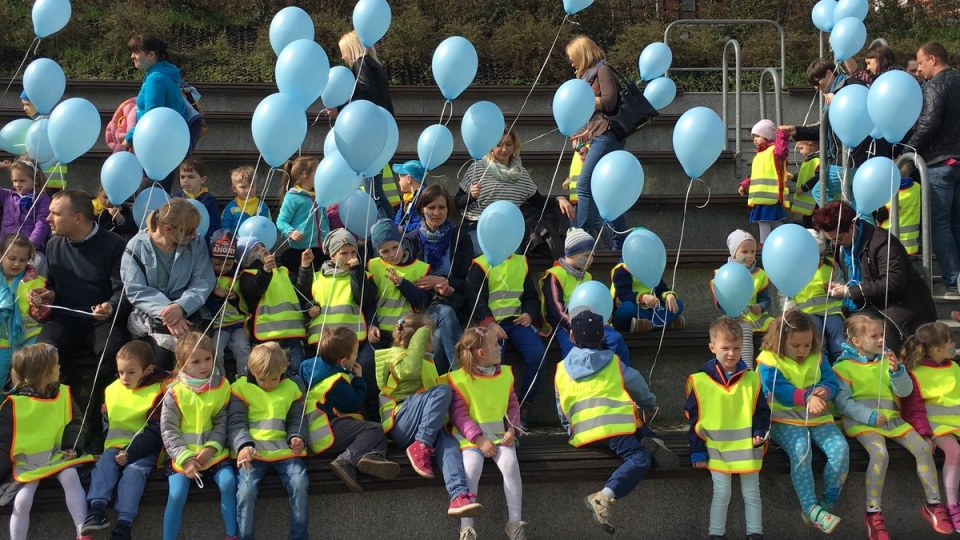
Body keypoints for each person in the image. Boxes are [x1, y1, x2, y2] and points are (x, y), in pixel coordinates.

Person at [555, 310, 677, 535]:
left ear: (572, 337)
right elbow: (637, 383)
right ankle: (603, 497)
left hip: (582, 431)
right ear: (603, 336)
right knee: (640, 458)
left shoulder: (561, 368)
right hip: (612, 427)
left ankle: (650, 438)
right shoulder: (613, 362)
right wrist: (648, 403)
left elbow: (561, 406)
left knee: (633, 425)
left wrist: (570, 428)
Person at [833, 314, 953, 537]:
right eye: (874, 336)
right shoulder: (843, 367)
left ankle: (933, 504)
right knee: (880, 454)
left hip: (893, 421)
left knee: (924, 449)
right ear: (856, 341)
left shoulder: (888, 360)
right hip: (863, 423)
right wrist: (869, 416)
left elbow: (904, 392)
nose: (881, 340)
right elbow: (842, 402)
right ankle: (872, 512)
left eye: (882, 335)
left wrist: (898, 372)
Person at [33, 189, 129, 435]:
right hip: (65, 318)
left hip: (101, 320)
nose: (47, 219)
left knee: (111, 353)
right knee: (42, 354)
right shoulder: (54, 244)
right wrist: (48, 296)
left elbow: (124, 291)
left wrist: (110, 306)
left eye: (55, 213)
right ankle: (52, 421)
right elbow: (53, 286)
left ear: (77, 218)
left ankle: (98, 422)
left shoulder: (115, 245)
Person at [375, 314, 483, 517]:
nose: (434, 339)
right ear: (421, 340)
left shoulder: (427, 361)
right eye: (431, 336)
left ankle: (458, 495)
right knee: (442, 392)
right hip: (400, 423)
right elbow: (409, 371)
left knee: (450, 444)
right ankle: (421, 445)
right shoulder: (396, 357)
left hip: (422, 425)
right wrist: (423, 331)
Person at [756, 310, 849, 534]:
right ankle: (809, 506)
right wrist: (807, 397)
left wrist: (825, 390)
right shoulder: (768, 360)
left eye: (807, 345)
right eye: (796, 345)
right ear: (780, 340)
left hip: (817, 417)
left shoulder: (817, 356)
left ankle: (825, 504)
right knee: (801, 448)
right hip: (783, 419)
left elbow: (830, 380)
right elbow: (777, 388)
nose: (802, 351)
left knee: (841, 449)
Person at [685, 317, 769, 540]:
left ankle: (755, 534)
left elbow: (762, 412)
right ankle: (716, 535)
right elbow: (694, 419)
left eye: (736, 348)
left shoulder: (753, 379)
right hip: (716, 449)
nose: (731, 353)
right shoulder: (699, 381)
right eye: (725, 348)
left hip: (748, 448)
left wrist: (759, 433)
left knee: (752, 494)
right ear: (712, 347)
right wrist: (697, 450)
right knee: (721, 494)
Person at [813, 200, 936, 352]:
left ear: (852, 228)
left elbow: (892, 283)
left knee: (870, 335)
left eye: (838, 239)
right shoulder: (845, 245)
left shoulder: (883, 243)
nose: (836, 244)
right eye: (831, 240)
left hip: (900, 309)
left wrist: (849, 291)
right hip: (871, 305)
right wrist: (844, 288)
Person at [0, 344, 93, 540]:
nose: (60, 368)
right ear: (44, 372)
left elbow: (76, 423)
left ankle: (83, 533)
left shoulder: (64, 394)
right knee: (22, 500)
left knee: (71, 477)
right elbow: (3, 444)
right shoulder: (13, 405)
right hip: (26, 464)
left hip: (57, 455)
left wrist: (73, 447)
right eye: (56, 365)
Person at [81, 341, 170, 540]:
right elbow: (107, 419)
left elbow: (157, 432)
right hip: (115, 447)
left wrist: (131, 452)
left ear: (147, 370)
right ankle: (97, 509)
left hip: (143, 450)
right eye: (121, 372)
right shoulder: (113, 389)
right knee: (104, 464)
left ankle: (124, 525)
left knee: (133, 472)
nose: (124, 378)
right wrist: (117, 448)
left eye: (131, 372)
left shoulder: (159, 391)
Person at [299, 326, 400, 491]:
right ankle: (346, 460)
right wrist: (359, 380)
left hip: (312, 430)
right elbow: (354, 403)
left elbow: (304, 367)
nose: (356, 357)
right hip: (325, 433)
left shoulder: (309, 366)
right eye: (355, 354)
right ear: (343, 361)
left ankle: (372, 457)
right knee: (375, 429)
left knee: (376, 434)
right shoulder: (338, 380)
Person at [780, 58, 889, 208]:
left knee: (820, 191)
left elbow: (862, 105)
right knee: (858, 204)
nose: (816, 88)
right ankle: (861, 229)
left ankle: (841, 226)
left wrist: (839, 100)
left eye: (817, 82)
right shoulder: (833, 93)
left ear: (829, 73)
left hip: (850, 155)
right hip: (849, 155)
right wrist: (797, 131)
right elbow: (824, 129)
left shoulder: (850, 85)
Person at [450, 326, 525, 540]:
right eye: (495, 344)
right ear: (481, 353)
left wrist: (513, 428)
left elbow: (512, 404)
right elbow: (459, 415)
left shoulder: (505, 374)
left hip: (500, 436)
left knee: (510, 464)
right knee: (472, 468)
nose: (500, 347)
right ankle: (467, 528)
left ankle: (515, 523)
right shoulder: (460, 379)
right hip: (472, 439)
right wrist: (480, 440)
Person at [121, 198, 215, 369]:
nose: (194, 234)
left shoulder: (197, 242)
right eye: (188, 231)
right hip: (150, 316)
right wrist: (169, 314)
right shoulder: (136, 246)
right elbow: (136, 290)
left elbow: (203, 281)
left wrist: (180, 307)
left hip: (190, 311)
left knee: (197, 353)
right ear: (168, 229)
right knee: (162, 357)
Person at [228, 342, 309, 540]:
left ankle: (299, 537)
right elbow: (236, 421)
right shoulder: (240, 387)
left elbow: (297, 419)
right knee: (245, 493)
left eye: (274, 378)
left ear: (283, 370)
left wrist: (298, 436)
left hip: (285, 451)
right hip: (252, 453)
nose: (268, 384)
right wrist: (243, 446)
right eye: (263, 379)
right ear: (252, 371)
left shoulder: (291, 387)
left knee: (299, 483)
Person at [160, 333, 237, 540]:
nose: (204, 365)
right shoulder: (174, 392)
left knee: (229, 483)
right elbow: (168, 430)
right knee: (176, 494)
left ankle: (232, 535)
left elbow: (223, 421)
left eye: (208, 359)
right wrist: (185, 459)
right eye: (195, 361)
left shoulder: (222, 386)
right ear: (183, 364)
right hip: (181, 458)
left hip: (214, 453)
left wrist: (211, 447)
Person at [456, 129, 575, 256]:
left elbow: (540, 203)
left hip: (508, 231)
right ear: (491, 146)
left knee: (512, 260)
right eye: (499, 144)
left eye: (508, 144)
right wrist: (471, 196)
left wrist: (559, 199)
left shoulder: (521, 174)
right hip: (477, 226)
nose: (504, 149)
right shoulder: (478, 168)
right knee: (480, 254)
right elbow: (457, 202)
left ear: (514, 146)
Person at [299, 229, 378, 415]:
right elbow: (301, 295)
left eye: (353, 252)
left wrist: (357, 271)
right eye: (344, 253)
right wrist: (304, 267)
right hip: (322, 341)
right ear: (333, 255)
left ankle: (366, 413)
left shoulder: (361, 274)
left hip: (352, 340)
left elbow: (364, 298)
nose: (350, 257)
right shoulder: (318, 277)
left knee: (362, 371)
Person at [465, 248, 544, 427]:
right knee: (493, 359)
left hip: (517, 322)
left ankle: (524, 405)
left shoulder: (521, 262)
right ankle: (495, 410)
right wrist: (490, 323)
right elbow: (474, 299)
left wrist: (529, 313)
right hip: (490, 324)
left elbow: (531, 295)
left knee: (537, 354)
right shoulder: (480, 264)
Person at [904, 42, 960, 296]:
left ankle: (952, 280)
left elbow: (928, 123)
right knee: (956, 223)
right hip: (957, 161)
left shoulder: (936, 85)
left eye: (922, 63)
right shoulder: (958, 81)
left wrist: (907, 151)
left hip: (939, 163)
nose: (919, 70)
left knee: (939, 224)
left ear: (933, 59)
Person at [564, 35, 628, 248]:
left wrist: (583, 100)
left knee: (584, 184)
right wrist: (586, 134)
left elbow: (609, 102)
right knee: (604, 190)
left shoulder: (603, 69)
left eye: (573, 58)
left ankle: (581, 237)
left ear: (583, 54)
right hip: (599, 135)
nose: (572, 62)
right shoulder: (587, 76)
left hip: (609, 135)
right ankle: (619, 240)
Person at [402, 185, 473, 374]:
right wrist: (432, 285)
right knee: (445, 314)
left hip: (454, 303)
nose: (436, 212)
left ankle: (446, 387)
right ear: (421, 209)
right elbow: (409, 279)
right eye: (431, 207)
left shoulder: (460, 237)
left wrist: (446, 283)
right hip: (421, 305)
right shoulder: (410, 240)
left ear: (448, 210)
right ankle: (463, 377)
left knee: (441, 336)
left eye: (441, 207)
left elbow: (467, 280)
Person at [123, 34, 203, 192]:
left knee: (150, 194)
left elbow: (151, 117)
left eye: (136, 52)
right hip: (167, 144)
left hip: (155, 145)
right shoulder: (165, 75)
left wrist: (130, 137)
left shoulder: (156, 79)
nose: (132, 56)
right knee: (159, 192)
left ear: (151, 55)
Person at [900, 322, 960, 532]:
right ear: (937, 350)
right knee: (954, 451)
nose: (954, 344)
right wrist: (924, 435)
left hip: (956, 422)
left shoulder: (954, 367)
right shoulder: (915, 373)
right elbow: (913, 409)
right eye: (950, 341)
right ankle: (953, 505)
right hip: (936, 426)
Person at [541, 228, 632, 361]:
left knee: (616, 340)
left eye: (593, 256)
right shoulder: (555, 275)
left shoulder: (587, 276)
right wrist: (574, 326)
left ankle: (619, 376)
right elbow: (556, 310)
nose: (590, 260)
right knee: (572, 350)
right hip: (565, 325)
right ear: (571, 254)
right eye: (586, 255)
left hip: (590, 321)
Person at [335, 30, 395, 219]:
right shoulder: (375, 65)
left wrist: (342, 106)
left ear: (351, 49)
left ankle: (389, 232)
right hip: (379, 129)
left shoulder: (361, 64)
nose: (342, 56)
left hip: (368, 133)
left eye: (343, 51)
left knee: (374, 193)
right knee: (375, 190)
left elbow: (365, 94)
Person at [235, 236, 307, 373]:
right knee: (269, 373)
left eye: (263, 246)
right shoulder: (247, 275)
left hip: (292, 335)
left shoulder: (283, 272)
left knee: (297, 372)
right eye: (255, 249)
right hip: (266, 338)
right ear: (246, 262)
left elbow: (301, 292)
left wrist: (304, 268)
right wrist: (265, 270)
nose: (262, 249)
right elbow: (255, 289)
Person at [711, 230, 771, 369]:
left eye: (752, 251)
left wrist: (761, 306)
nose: (749, 256)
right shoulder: (724, 273)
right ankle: (748, 368)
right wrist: (733, 312)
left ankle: (771, 366)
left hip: (756, 316)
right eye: (744, 252)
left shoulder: (759, 274)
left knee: (778, 328)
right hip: (735, 316)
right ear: (733, 252)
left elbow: (765, 298)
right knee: (745, 330)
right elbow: (720, 302)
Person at [367, 219, 432, 349]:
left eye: (395, 247)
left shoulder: (420, 268)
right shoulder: (372, 266)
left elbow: (422, 302)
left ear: (402, 242)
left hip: (406, 332)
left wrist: (402, 284)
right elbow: (368, 301)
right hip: (379, 332)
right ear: (378, 252)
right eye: (385, 251)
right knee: (368, 363)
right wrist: (371, 325)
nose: (392, 254)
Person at [787, 229, 844, 365]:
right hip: (808, 312)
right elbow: (786, 292)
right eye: (816, 256)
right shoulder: (794, 268)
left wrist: (835, 286)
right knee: (816, 334)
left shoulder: (831, 264)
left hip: (831, 309)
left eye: (822, 255)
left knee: (837, 331)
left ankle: (842, 361)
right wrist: (789, 309)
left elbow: (841, 280)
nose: (820, 259)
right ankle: (821, 362)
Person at [609, 234, 684, 334]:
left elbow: (661, 288)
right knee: (627, 308)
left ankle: (648, 325)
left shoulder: (652, 267)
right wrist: (642, 298)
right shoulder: (622, 270)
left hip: (652, 310)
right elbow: (624, 294)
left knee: (678, 304)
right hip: (634, 310)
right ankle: (664, 323)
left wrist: (669, 295)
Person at [0, 234, 49, 387]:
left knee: (30, 375)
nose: (16, 264)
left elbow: (42, 316)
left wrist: (39, 305)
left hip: (28, 339)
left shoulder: (37, 282)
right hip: (2, 341)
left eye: (22, 260)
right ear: (1, 255)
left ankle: (26, 406)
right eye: (12, 258)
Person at [204, 230, 251, 376]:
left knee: (243, 347)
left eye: (228, 264)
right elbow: (206, 305)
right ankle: (220, 380)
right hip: (218, 326)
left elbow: (246, 302)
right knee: (214, 350)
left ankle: (244, 381)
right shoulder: (205, 276)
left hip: (238, 324)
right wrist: (217, 296)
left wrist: (235, 298)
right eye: (217, 264)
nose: (223, 268)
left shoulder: (239, 275)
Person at [1, 90, 67, 193]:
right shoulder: (53, 122)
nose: (24, 108)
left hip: (43, 182)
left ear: (39, 103)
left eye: (27, 104)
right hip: (54, 181)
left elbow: (33, 153)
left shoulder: (41, 126)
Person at [738, 120, 788, 244]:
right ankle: (785, 237)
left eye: (758, 136)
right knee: (772, 221)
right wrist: (744, 185)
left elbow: (782, 151)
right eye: (753, 137)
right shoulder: (759, 155)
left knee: (763, 220)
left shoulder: (774, 151)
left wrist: (782, 135)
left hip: (769, 195)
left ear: (768, 136)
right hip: (763, 196)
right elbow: (754, 175)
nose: (755, 139)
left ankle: (764, 242)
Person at [277, 156, 328, 275]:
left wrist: (328, 234)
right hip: (302, 249)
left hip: (322, 247)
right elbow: (281, 221)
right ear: (306, 176)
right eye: (317, 172)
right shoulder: (292, 197)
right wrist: (291, 232)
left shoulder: (319, 194)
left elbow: (324, 217)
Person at [1, 159, 50, 254]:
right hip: (6, 247)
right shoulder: (7, 195)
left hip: (31, 248)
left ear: (35, 181)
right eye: (14, 181)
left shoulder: (42, 198)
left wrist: (31, 245)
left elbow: (42, 223)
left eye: (22, 181)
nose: (17, 184)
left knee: (38, 263)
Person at [172, 158, 220, 244]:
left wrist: (204, 241)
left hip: (202, 243)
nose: (185, 180)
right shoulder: (176, 199)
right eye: (182, 177)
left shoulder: (209, 201)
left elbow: (214, 226)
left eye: (191, 177)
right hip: (179, 242)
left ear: (202, 179)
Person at [874, 174, 921, 256]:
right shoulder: (917, 187)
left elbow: (880, 217)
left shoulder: (887, 195)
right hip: (912, 247)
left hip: (891, 247)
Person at [220, 165, 270, 235]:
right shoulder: (230, 208)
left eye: (252, 186)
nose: (248, 190)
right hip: (236, 242)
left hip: (257, 242)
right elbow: (225, 227)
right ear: (234, 188)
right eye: (243, 187)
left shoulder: (262, 207)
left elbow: (267, 226)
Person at [786, 139, 820, 228]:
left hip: (815, 200)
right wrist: (793, 176)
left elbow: (819, 177)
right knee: (807, 220)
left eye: (801, 148)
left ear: (811, 145)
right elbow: (805, 177)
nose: (800, 152)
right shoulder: (810, 160)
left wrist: (804, 187)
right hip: (812, 202)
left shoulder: (817, 160)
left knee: (813, 221)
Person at [393, 160, 426, 233]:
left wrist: (404, 229)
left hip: (417, 237)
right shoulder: (407, 196)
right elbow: (398, 219)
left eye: (400, 178)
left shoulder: (425, 196)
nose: (399, 181)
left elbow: (426, 224)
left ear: (409, 179)